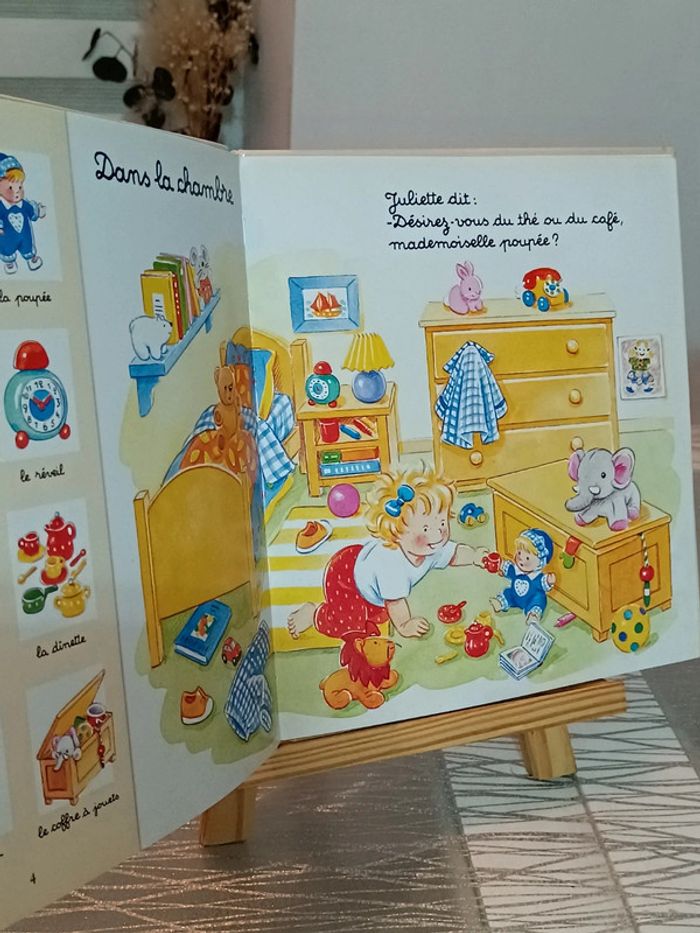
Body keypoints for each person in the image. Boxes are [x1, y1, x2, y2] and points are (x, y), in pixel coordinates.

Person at [288, 464, 487, 641]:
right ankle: (313, 614)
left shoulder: (431, 546)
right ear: (398, 533)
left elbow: (454, 554)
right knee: (350, 626)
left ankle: (369, 602)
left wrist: (475, 556)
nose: (438, 533)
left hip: (364, 566)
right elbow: (395, 602)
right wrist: (404, 625)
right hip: (346, 577)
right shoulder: (393, 566)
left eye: (442, 522)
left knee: (377, 616)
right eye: (426, 528)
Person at [489, 528, 555, 624]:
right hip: (515, 595)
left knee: (538, 601)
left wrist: (549, 581)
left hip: (531, 599)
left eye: (527, 558)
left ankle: (533, 615)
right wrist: (500, 564)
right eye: (519, 553)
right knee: (508, 593)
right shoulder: (516, 570)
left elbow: (543, 583)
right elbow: (508, 568)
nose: (521, 559)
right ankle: (500, 603)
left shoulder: (537, 577)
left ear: (540, 563)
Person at [0, 153, 46, 274]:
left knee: (27, 244)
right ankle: (10, 262)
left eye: (19, 187)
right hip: (7, 236)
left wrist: (38, 210)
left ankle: (31, 258)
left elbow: (31, 210)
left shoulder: (23, 204)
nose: (17, 192)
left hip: (24, 234)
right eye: (10, 188)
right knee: (6, 247)